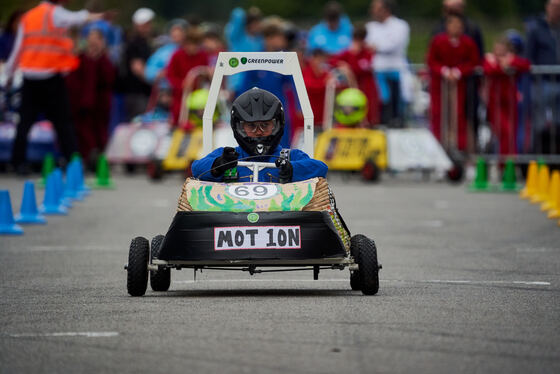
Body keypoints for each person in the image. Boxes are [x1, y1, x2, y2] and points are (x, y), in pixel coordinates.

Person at [4, 0, 105, 174]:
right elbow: (76, 18)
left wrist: (9, 75)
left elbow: (18, 49)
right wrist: (95, 16)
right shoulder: (55, 13)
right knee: (63, 122)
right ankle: (73, 160)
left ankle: (17, 162)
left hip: (29, 76)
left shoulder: (28, 17)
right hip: (51, 75)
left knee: (24, 122)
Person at [192, 88, 327, 183]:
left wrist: (292, 169)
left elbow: (320, 168)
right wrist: (219, 165)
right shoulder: (229, 157)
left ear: (277, 125)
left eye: (265, 125)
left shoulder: (290, 156)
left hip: (281, 219)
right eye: (251, 126)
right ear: (238, 127)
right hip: (235, 218)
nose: (258, 131)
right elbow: (196, 168)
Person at [432, 0, 484, 147]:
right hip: (441, 85)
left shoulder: (470, 38)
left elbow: (475, 60)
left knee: (462, 117)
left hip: (464, 86)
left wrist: (458, 72)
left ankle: (463, 149)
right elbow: (432, 60)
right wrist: (444, 71)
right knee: (440, 117)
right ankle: (440, 147)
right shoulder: (438, 39)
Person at [237, 21, 296, 147]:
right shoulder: (255, 59)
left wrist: (299, 106)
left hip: (280, 110)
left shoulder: (284, 59)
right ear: (268, 38)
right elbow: (244, 86)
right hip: (258, 113)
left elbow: (294, 84)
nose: (283, 40)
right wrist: (241, 109)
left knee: (283, 148)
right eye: (279, 37)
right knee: (259, 148)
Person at [66, 28, 115, 165]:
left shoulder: (105, 60)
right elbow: (72, 80)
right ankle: (86, 156)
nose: (93, 43)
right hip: (82, 101)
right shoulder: (81, 58)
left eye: (97, 39)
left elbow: (110, 78)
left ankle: (99, 156)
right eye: (91, 39)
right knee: (83, 131)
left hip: (101, 101)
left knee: (100, 130)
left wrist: (100, 57)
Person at [365, 0, 410, 126]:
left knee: (397, 103)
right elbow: (367, 45)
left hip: (396, 69)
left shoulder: (400, 25)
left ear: (385, 10)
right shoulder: (370, 27)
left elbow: (394, 45)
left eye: (375, 8)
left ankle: (397, 122)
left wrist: (376, 47)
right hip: (377, 71)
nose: (372, 11)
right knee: (381, 102)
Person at [483, 37, 530, 155]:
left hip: (510, 103)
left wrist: (510, 61)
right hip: (495, 103)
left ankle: (509, 163)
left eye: (502, 50)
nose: (499, 53)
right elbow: (489, 70)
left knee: (511, 134)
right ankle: (504, 163)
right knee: (505, 133)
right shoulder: (490, 60)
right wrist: (501, 66)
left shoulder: (511, 60)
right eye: (497, 50)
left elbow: (526, 65)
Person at [526, 0, 560, 153]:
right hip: (542, 82)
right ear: (547, 8)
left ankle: (555, 158)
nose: (556, 10)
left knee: (557, 124)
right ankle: (537, 156)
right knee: (539, 123)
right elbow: (529, 57)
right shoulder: (536, 29)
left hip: (558, 82)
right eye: (554, 6)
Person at [331, 23, 380, 125]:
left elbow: (361, 68)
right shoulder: (347, 53)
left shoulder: (368, 53)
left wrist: (353, 58)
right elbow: (332, 61)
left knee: (368, 115)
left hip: (367, 89)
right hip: (352, 91)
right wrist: (342, 64)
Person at [166, 27, 209, 127]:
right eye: (190, 44)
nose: (193, 47)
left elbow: (206, 74)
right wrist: (182, 84)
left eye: (196, 44)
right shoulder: (176, 55)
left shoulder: (202, 55)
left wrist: (207, 74)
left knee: (199, 120)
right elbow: (170, 76)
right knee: (179, 119)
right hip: (180, 97)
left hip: (197, 96)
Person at [121, 8, 154, 121]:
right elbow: (137, 68)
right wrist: (156, 78)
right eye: (146, 24)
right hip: (136, 93)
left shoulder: (144, 42)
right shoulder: (135, 43)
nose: (148, 27)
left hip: (143, 92)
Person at [224, 7, 264, 93]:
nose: (258, 25)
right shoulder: (238, 37)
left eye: (258, 22)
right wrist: (249, 13)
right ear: (248, 24)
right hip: (237, 84)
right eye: (254, 23)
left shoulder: (260, 40)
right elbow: (238, 14)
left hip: (255, 83)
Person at [144, 19, 187, 84]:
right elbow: (149, 73)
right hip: (168, 89)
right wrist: (159, 74)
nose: (177, 35)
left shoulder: (191, 50)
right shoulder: (162, 52)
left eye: (180, 32)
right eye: (174, 32)